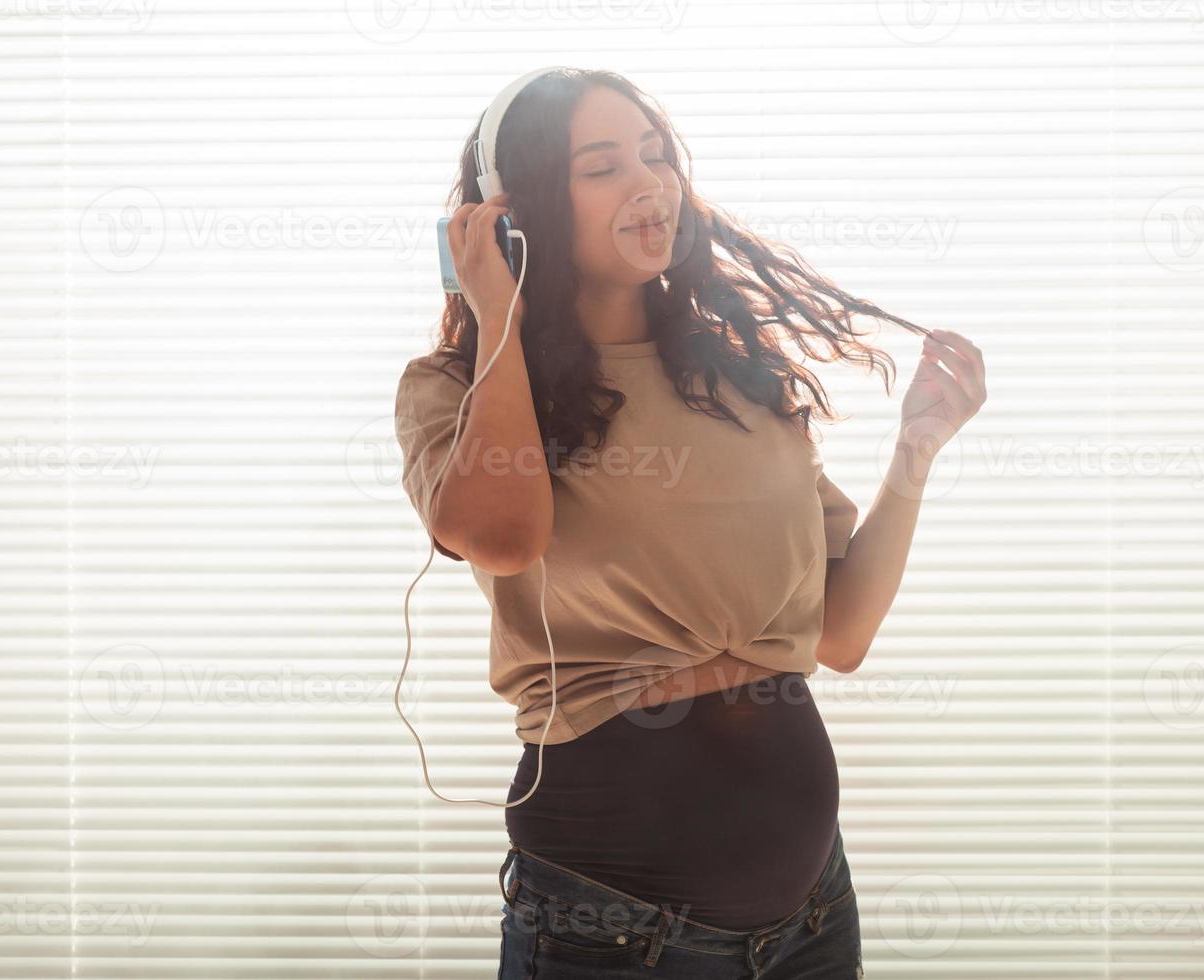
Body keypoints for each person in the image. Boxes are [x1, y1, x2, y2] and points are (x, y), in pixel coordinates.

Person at [394, 67, 986, 979]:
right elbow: (506, 537)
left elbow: (841, 632)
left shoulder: (738, 375)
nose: (649, 183)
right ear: (520, 209)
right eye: (602, 166)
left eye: (657, 154)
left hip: (814, 916)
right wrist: (498, 310)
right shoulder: (456, 389)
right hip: (612, 935)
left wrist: (918, 449)